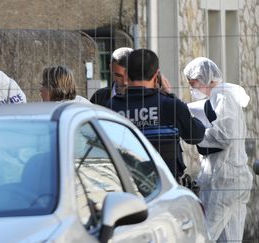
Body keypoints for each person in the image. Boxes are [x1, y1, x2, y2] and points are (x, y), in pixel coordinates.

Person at [105, 49, 205, 180]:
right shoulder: (170, 106)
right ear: (156, 75)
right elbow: (196, 136)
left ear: (127, 74)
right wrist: (169, 96)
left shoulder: (110, 108)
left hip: (126, 188)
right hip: (166, 188)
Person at [183, 57, 253, 242]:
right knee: (230, 238)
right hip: (232, 178)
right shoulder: (221, 96)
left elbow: (225, 135)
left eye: (193, 83)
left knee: (204, 235)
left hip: (223, 181)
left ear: (205, 78)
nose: (192, 88)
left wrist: (197, 133)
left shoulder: (221, 95)